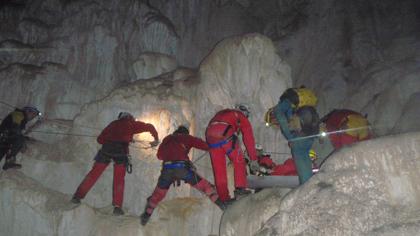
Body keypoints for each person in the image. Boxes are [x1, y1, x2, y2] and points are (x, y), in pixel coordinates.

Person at [71, 112, 159, 216]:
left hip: (106, 149)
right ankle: (117, 207)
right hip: (120, 151)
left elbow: (100, 139)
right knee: (119, 179)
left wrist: (117, 137)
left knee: (94, 174)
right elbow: (149, 127)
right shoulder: (131, 124)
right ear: (130, 118)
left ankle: (77, 196)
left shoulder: (113, 124)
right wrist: (156, 139)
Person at [140, 126, 225, 225]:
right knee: (205, 187)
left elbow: (160, 156)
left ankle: (146, 216)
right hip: (182, 169)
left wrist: (171, 153)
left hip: (167, 170)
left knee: (158, 195)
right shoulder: (187, 138)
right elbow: (203, 145)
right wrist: (213, 146)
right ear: (185, 133)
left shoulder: (168, 139)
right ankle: (223, 205)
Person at [205, 104, 260, 203]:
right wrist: (253, 159)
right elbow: (248, 139)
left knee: (219, 171)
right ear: (245, 113)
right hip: (225, 133)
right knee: (239, 161)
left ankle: (224, 198)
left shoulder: (223, 113)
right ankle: (240, 190)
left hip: (210, 136)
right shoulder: (241, 116)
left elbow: (214, 125)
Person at [272, 87, 319, 184]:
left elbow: (279, 111)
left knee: (300, 155)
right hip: (310, 132)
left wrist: (286, 129)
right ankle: (309, 181)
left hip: (299, 137)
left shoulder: (287, 101)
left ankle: (306, 185)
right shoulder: (305, 101)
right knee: (305, 155)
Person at [0, 106, 41, 170]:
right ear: (27, 111)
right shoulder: (19, 114)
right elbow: (15, 127)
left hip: (5, 140)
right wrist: (24, 139)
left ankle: (9, 162)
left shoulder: (22, 119)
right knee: (20, 139)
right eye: (32, 114)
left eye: (34, 116)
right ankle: (9, 161)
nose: (33, 117)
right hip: (5, 137)